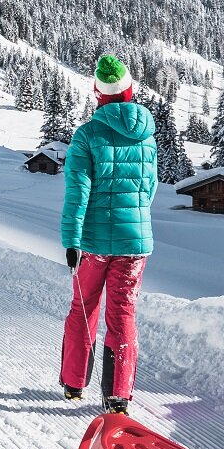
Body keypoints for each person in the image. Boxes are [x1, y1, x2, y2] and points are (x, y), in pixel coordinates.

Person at [59, 54, 158, 413]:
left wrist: (71, 239)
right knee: (123, 314)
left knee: (84, 309)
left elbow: (78, 192)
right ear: (129, 91)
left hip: (94, 242)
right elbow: (148, 189)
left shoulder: (87, 135)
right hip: (135, 243)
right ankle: (118, 396)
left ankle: (74, 383)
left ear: (99, 95)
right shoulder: (147, 135)